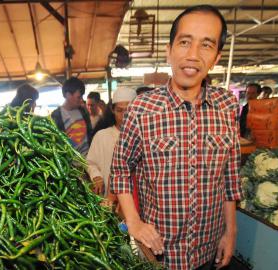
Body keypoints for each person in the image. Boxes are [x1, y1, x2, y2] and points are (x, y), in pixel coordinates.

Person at [110, 5, 242, 270]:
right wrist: (134, 222)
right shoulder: (143, 108)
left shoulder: (227, 105)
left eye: (206, 45)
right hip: (160, 255)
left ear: (216, 57)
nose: (193, 55)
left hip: (208, 251)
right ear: (169, 50)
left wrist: (231, 231)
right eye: (184, 42)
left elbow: (230, 175)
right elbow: (121, 170)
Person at [87, 88, 137, 197]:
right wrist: (96, 176)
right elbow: (90, 163)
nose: (124, 115)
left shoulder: (143, 136)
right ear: (112, 110)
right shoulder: (102, 136)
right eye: (119, 110)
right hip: (108, 198)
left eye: (128, 111)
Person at [51, 77, 93, 156]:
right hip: (70, 165)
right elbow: (56, 143)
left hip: (88, 161)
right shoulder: (56, 116)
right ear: (68, 95)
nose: (81, 100)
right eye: (79, 97)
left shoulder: (83, 111)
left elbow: (90, 134)